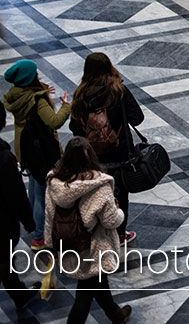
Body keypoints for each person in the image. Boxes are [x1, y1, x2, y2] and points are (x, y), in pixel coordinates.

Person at [44, 138, 132, 324]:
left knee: (97, 284)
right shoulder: (99, 185)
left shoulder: (54, 182)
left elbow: (50, 216)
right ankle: (113, 316)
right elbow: (110, 221)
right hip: (94, 248)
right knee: (85, 295)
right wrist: (120, 212)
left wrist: (51, 246)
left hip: (70, 246)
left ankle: (116, 316)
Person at [68, 52, 145, 245]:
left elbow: (74, 127)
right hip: (120, 152)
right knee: (120, 192)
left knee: (96, 192)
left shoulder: (80, 94)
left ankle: (98, 229)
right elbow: (138, 118)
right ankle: (119, 233)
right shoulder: (118, 91)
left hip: (93, 155)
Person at [2, 58, 70, 250]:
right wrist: (66, 106)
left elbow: (30, 100)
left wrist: (42, 92)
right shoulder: (37, 100)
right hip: (41, 153)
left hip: (25, 150)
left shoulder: (17, 96)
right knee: (42, 194)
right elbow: (54, 122)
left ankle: (34, 225)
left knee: (33, 188)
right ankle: (39, 237)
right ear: (31, 78)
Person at [1, 107, 36, 311]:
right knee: (3, 260)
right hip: (2, 223)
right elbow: (15, 195)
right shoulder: (4, 158)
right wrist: (28, 221)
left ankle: (19, 294)